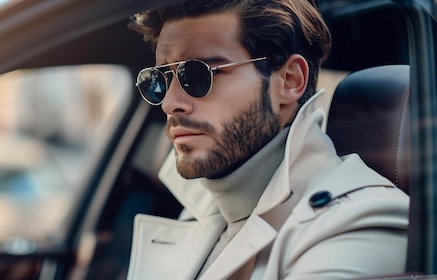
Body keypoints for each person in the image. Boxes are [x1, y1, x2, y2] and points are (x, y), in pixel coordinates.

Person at [126, 0, 409, 279]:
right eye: (160, 79)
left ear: (289, 81)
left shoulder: (357, 223)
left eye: (199, 75)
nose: (170, 103)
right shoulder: (205, 211)